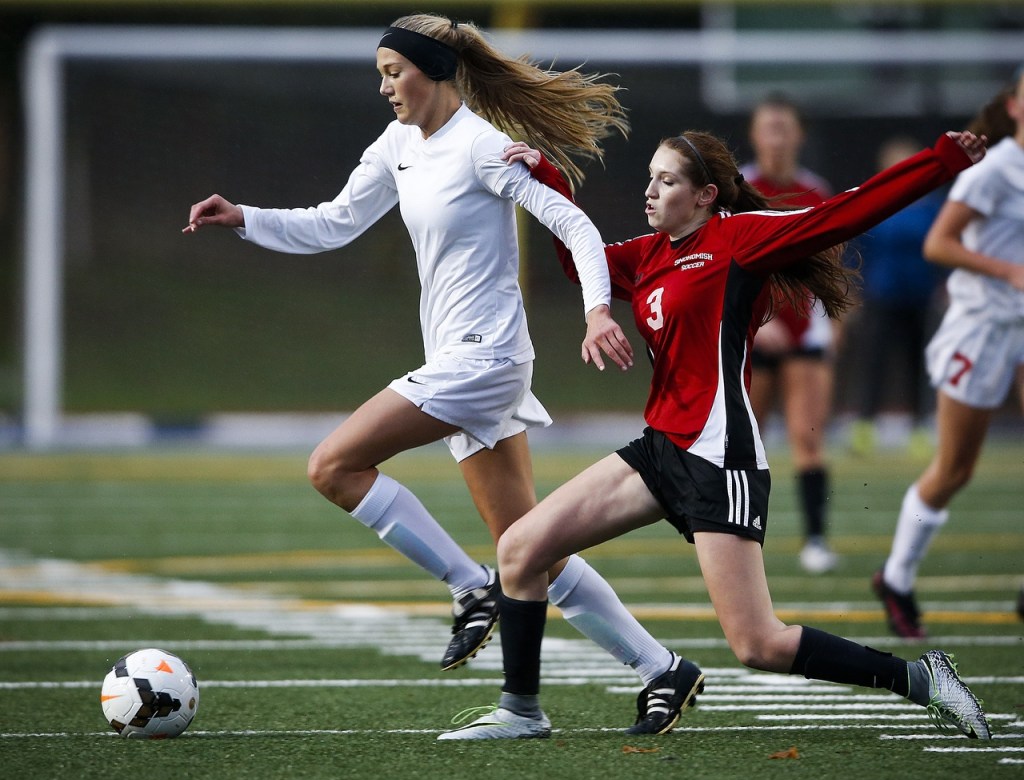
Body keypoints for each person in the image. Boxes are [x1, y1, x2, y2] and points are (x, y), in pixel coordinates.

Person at [183, 13, 690, 727]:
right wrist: (246, 217)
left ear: (435, 71)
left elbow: (575, 226)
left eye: (395, 72)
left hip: (483, 360)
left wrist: (597, 310)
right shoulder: (398, 144)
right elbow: (334, 222)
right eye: (380, 75)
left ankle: (469, 589)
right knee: (531, 548)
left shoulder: (482, 147)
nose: (386, 87)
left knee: (333, 466)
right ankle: (660, 668)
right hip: (463, 362)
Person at [436, 127, 991, 741]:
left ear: (704, 195)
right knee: (520, 550)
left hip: (717, 457)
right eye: (650, 177)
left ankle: (920, 680)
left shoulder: (737, 239)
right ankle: (521, 711)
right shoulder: (649, 253)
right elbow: (578, 258)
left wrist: (939, 162)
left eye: (667, 180)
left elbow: (845, 212)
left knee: (759, 644)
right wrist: (547, 177)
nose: (650, 190)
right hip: (659, 447)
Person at [873, 67, 1024, 639]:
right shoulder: (998, 171)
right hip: (982, 327)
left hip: (1021, 324)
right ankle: (897, 576)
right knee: (955, 469)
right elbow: (940, 242)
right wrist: (1007, 270)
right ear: (1013, 106)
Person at [740, 93, 839, 574]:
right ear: (755, 136)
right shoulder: (735, 189)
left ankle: (816, 540)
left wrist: (834, 323)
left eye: (784, 128)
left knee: (808, 436)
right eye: (768, 128)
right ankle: (739, 537)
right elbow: (721, 268)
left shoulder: (815, 193)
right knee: (743, 438)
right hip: (751, 338)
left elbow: (834, 270)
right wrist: (757, 323)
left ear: (798, 136)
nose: (776, 138)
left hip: (805, 336)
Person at [848, 136, 945, 458]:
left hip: (919, 297)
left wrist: (944, 284)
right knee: (874, 363)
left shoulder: (932, 207)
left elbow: (944, 248)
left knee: (918, 364)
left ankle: (919, 427)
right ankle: (864, 428)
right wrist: (854, 292)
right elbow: (857, 249)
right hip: (882, 296)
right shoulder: (876, 202)